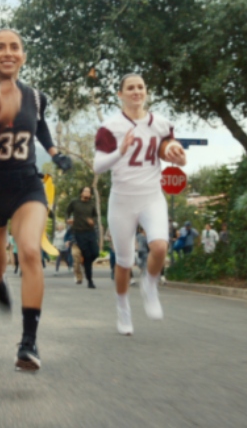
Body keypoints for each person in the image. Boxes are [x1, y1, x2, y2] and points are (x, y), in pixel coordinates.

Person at [0, 28, 72, 371]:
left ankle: (28, 342)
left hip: (26, 185)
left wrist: (54, 152)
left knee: (30, 251)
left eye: (14, 47)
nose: (7, 52)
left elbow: (39, 126)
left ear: (23, 55)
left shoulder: (36, 96)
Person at [93, 73, 186, 336]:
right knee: (124, 262)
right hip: (122, 200)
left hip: (151, 196)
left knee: (160, 245)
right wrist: (121, 150)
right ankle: (123, 308)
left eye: (140, 87)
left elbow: (168, 145)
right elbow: (98, 165)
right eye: (130, 88)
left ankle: (150, 284)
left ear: (146, 91)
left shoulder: (161, 123)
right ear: (120, 94)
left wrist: (175, 153)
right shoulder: (110, 127)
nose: (136, 91)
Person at [66, 187, 99, 289]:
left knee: (95, 253)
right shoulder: (75, 202)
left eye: (89, 192)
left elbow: (95, 216)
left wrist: (93, 221)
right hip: (79, 233)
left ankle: (85, 262)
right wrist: (68, 219)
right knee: (88, 256)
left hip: (91, 232)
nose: (87, 193)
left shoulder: (92, 204)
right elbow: (67, 212)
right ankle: (90, 281)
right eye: (85, 191)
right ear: (81, 193)